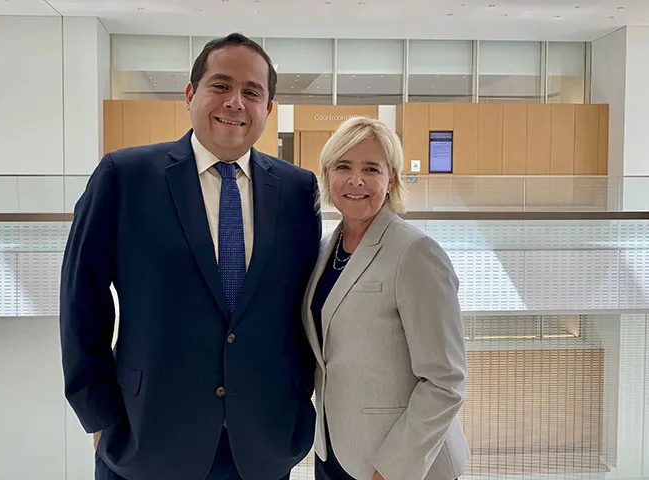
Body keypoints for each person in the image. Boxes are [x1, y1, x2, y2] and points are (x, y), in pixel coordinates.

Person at [59, 33, 321, 480]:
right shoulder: (125, 176)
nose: (235, 102)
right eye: (221, 85)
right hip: (147, 441)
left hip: (260, 446)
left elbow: (302, 305)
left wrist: (298, 405)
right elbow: (80, 296)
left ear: (268, 109)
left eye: (252, 92)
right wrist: (98, 415)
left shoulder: (297, 190)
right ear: (190, 94)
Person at [302, 116, 469, 480]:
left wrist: (393, 470)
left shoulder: (415, 252)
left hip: (399, 464)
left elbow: (446, 381)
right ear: (327, 175)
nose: (356, 180)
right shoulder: (324, 250)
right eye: (343, 166)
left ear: (391, 178)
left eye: (371, 169)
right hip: (336, 451)